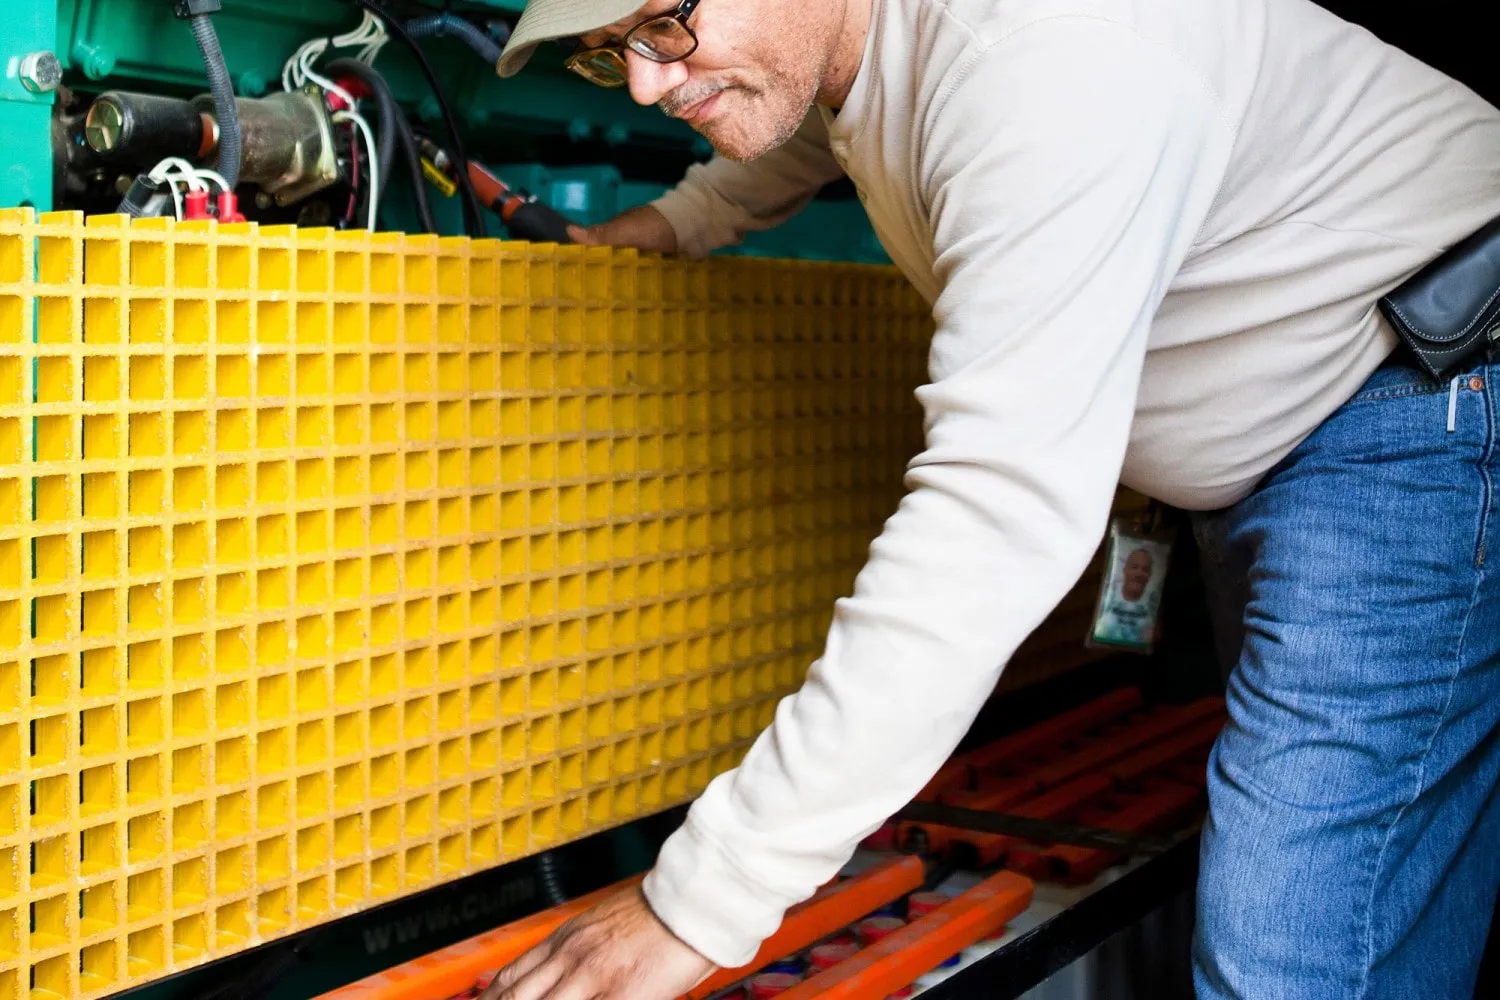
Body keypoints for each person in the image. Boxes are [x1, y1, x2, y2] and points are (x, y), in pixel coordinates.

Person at [477, 0, 1500, 996]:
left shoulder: (1052, 59)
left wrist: (698, 903)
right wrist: (675, 222)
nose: (651, 82)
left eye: (665, 22)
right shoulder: (871, 35)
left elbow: (995, 515)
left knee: (1297, 952)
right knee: (1385, 876)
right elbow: (816, 109)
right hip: (1296, 438)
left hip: (1416, 401)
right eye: (616, 52)